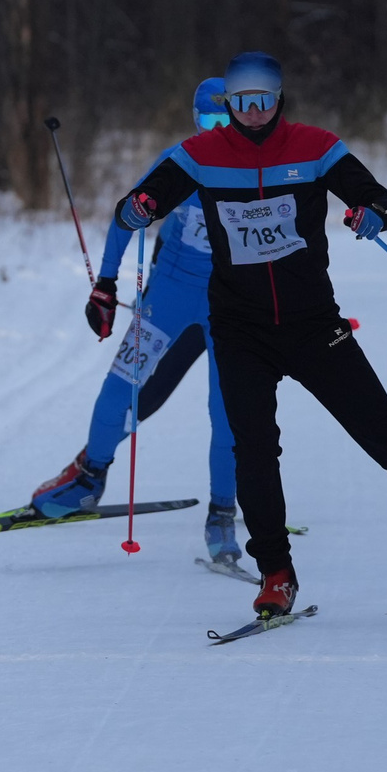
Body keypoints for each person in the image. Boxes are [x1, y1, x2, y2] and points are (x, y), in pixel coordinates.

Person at [109, 51, 387, 619]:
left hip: (313, 325)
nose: (254, 113)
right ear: (227, 105)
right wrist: (137, 210)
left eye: (264, 101)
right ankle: (276, 575)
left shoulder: (315, 147)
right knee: (254, 450)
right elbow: (141, 201)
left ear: (279, 99)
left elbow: (380, 198)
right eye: (241, 103)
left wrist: (373, 214)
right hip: (240, 329)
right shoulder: (199, 155)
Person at [29, 77, 245, 565]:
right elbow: (126, 216)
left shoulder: (260, 167)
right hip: (171, 293)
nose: (217, 130)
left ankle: (222, 513)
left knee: (228, 413)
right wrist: (106, 286)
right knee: (121, 388)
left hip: (235, 305)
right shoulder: (181, 159)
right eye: (207, 121)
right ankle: (88, 478)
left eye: (226, 119)